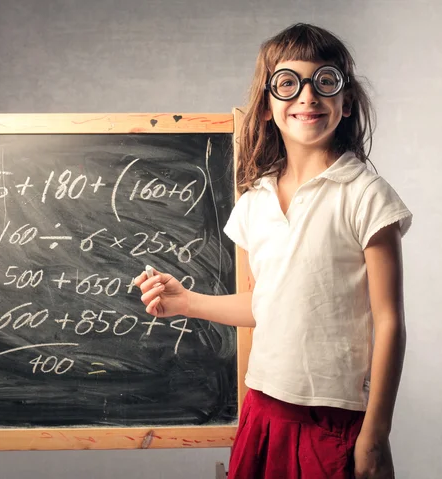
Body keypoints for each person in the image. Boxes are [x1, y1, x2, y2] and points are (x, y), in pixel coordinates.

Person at [135, 23, 412, 479]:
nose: (307, 97)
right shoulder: (254, 203)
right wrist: (186, 302)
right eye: (288, 83)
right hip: (263, 408)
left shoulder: (366, 195)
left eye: (325, 81)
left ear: (346, 103)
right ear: (266, 106)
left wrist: (375, 433)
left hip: (335, 417)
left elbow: (390, 321)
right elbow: (268, 304)